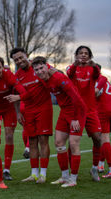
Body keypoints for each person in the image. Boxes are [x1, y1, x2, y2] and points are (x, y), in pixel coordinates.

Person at [28, 56, 86, 187]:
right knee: (59, 143)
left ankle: (73, 179)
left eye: (41, 68)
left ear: (47, 66)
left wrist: (75, 118)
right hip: (64, 111)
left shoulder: (59, 78)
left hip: (77, 111)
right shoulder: (42, 79)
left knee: (73, 143)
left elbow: (76, 98)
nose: (39, 71)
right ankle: (65, 176)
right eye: (36, 69)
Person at [8, 48, 53, 183]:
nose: (19, 61)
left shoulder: (38, 66)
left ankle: (43, 174)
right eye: (16, 60)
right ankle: (33, 174)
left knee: (43, 140)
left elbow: (54, 74)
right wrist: (17, 112)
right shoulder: (17, 76)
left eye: (21, 57)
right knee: (32, 141)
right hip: (28, 111)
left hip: (44, 109)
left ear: (26, 56)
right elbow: (16, 96)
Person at [66, 46, 106, 182]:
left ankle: (94, 168)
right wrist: (75, 64)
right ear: (76, 55)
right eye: (80, 53)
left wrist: (93, 64)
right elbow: (69, 74)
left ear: (90, 56)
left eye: (86, 54)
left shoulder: (93, 69)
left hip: (91, 110)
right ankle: (71, 172)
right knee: (73, 142)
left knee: (97, 138)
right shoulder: (71, 68)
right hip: (76, 111)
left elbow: (97, 73)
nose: (83, 55)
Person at [95, 66, 111, 178]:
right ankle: (100, 164)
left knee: (104, 139)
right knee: (102, 137)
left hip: (104, 110)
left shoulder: (96, 80)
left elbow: (96, 93)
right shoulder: (103, 79)